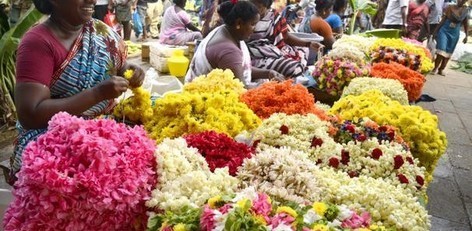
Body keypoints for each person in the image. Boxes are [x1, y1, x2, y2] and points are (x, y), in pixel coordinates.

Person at [9, 0, 145, 183]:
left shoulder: (101, 32)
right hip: (54, 139)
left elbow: (116, 67)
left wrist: (130, 71)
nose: (92, 0)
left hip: (103, 129)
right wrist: (97, 94)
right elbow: (31, 114)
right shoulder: (38, 42)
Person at [186, 0, 285, 86]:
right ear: (238, 23)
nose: (254, 29)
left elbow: (240, 68)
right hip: (208, 99)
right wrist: (271, 87)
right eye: (252, 24)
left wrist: (268, 73)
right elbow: (241, 88)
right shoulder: (228, 50)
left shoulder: (226, 31)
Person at [247, 0, 324, 78]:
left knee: (303, 51)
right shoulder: (246, 17)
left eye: (259, 7)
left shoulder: (274, 16)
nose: (254, 9)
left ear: (267, 6)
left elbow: (286, 36)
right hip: (255, 56)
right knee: (294, 68)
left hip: (274, 50)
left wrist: (308, 44)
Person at [431, 0, 469, 76]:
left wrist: (466, 35)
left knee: (448, 51)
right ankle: (435, 68)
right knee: (441, 49)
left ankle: (441, 69)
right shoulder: (450, 7)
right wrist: (435, 31)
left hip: (455, 33)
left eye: (463, 0)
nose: (461, 1)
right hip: (444, 30)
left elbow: (466, 23)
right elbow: (443, 20)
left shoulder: (465, 11)